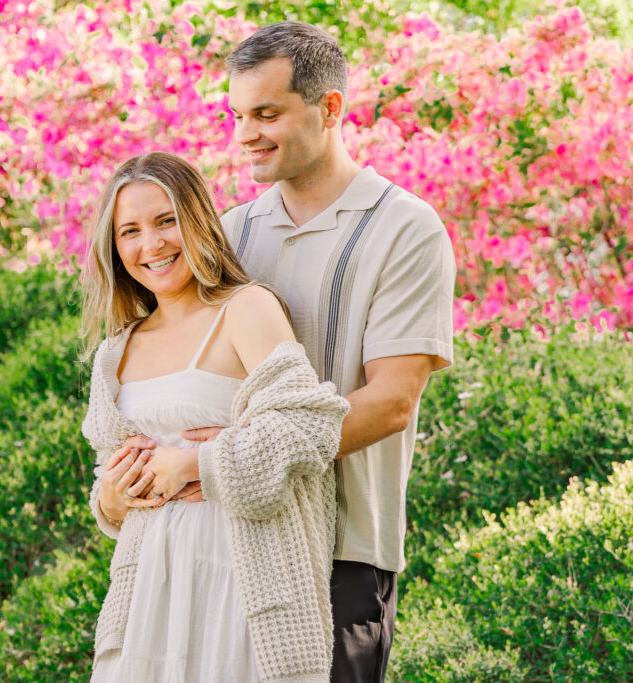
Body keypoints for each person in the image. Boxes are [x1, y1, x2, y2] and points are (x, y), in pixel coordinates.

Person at [181, 21, 456, 681]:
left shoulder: (406, 229)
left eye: (267, 113)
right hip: (231, 535)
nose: (246, 134)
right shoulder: (229, 233)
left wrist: (232, 455)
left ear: (331, 108)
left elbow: (391, 401)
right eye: (239, 115)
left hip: (344, 551)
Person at [79, 151, 349, 682]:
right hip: (148, 593)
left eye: (165, 221)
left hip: (239, 578)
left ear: (197, 220)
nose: (150, 245)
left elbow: (309, 426)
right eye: (129, 231)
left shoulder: (245, 309)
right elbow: (110, 476)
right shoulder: (117, 350)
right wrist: (109, 500)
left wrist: (197, 463)